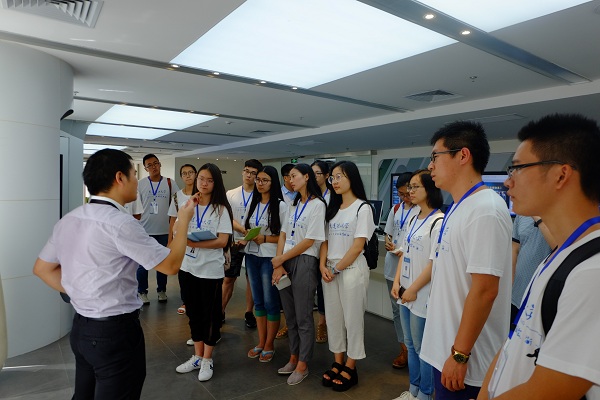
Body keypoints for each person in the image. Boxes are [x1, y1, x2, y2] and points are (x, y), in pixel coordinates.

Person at [33, 149, 196, 399]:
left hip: (81, 328)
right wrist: (183, 220)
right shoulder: (121, 222)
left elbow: (42, 269)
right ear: (120, 178)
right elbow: (171, 265)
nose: (136, 181)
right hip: (114, 333)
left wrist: (83, 292)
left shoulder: (70, 218)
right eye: (133, 175)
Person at [478, 114, 600, 400]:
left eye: (518, 168)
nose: (507, 182)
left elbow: (551, 390)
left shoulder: (591, 272)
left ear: (561, 174)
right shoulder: (561, 254)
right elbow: (514, 344)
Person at [420, 121, 512, 400]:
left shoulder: (486, 209)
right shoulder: (458, 206)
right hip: (444, 348)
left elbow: (485, 290)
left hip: (467, 360)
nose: (430, 166)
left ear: (463, 155)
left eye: (436, 156)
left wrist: (460, 354)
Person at [319, 161, 375, 392]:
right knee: (333, 319)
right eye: (332, 177)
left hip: (351, 270)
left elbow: (357, 246)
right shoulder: (332, 208)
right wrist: (323, 265)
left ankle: (351, 366)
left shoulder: (363, 208)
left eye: (339, 176)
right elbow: (324, 240)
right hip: (330, 270)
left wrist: (335, 269)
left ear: (352, 177)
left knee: (352, 319)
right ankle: (338, 361)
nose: (335, 181)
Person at [175, 163, 233, 382]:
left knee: (210, 316)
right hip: (187, 267)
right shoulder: (188, 205)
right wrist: (187, 210)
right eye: (201, 178)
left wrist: (194, 243)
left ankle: (208, 359)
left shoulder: (221, 209)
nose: (204, 183)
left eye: (209, 180)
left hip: (210, 270)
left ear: (216, 183)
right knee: (193, 313)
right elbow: (177, 229)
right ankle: (197, 356)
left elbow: (222, 240)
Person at [391, 170, 444, 400]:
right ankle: (413, 389)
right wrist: (397, 282)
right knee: (410, 344)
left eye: (415, 187)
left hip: (421, 294)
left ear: (430, 189)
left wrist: (412, 289)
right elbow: (404, 252)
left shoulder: (438, 222)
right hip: (405, 291)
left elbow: (433, 264)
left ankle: (425, 393)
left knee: (423, 348)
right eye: (409, 187)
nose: (410, 191)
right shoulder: (414, 218)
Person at [272, 163, 326, 385]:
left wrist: (281, 258)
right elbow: (283, 234)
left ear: (306, 177)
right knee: (290, 315)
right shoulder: (293, 204)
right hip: (285, 261)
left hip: (304, 261)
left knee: (303, 315)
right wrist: (278, 263)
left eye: (294, 176)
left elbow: (309, 241)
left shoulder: (318, 205)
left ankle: (303, 363)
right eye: (288, 177)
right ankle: (293, 356)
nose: (290, 180)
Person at [244, 166, 288, 363]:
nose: (260, 183)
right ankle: (261, 342)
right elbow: (248, 227)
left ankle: (270, 344)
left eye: (265, 180)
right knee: (258, 301)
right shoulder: (253, 203)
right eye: (258, 180)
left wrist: (265, 239)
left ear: (273, 182)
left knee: (271, 302)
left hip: (270, 258)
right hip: (251, 255)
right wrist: (246, 237)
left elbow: (284, 236)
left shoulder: (280, 205)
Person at [384, 171, 418, 369]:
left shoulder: (421, 210)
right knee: (397, 311)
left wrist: (403, 251)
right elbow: (389, 233)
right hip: (392, 266)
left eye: (407, 193)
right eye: (401, 194)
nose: (405, 198)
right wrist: (388, 243)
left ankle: (414, 351)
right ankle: (404, 349)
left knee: (412, 311)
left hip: (411, 269)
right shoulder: (396, 209)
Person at [135, 154, 179, 304]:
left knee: (163, 263)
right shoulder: (140, 184)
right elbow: (135, 207)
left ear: (160, 164)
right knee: (142, 265)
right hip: (145, 231)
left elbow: (177, 205)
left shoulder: (170, 183)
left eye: (156, 163)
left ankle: (162, 290)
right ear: (145, 168)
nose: (154, 167)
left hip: (165, 231)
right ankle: (142, 291)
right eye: (150, 165)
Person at [223, 159, 262, 329]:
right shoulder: (231, 194)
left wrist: (249, 235)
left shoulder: (260, 195)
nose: (249, 175)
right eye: (247, 171)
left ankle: (249, 312)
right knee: (228, 279)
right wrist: (242, 230)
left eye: (253, 173)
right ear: (242, 172)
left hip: (254, 242)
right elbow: (226, 217)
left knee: (251, 279)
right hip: (234, 242)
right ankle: (220, 311)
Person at [510, 214, 555, 324]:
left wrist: (538, 218)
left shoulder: (560, 214)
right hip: (516, 295)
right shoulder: (522, 215)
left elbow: (560, 248)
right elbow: (514, 249)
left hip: (542, 298)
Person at [168, 164, 198, 316]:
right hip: (180, 238)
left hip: (197, 237)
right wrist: (170, 241)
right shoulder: (177, 196)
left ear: (195, 174)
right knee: (183, 272)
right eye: (184, 173)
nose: (188, 176)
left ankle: (196, 299)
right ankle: (186, 301)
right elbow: (173, 219)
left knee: (196, 269)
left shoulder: (201, 194)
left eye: (190, 172)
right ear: (181, 177)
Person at [276, 162, 297, 340]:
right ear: (285, 178)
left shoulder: (307, 198)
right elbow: (283, 232)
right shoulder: (279, 197)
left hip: (300, 252)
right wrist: (279, 258)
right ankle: (288, 324)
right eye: (292, 176)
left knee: (298, 296)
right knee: (284, 294)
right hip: (283, 249)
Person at [312, 160, 332, 344]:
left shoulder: (333, 196)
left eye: (317, 173)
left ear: (326, 176)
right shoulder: (308, 196)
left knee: (323, 288)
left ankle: (322, 323)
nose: (313, 177)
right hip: (310, 248)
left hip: (327, 249)